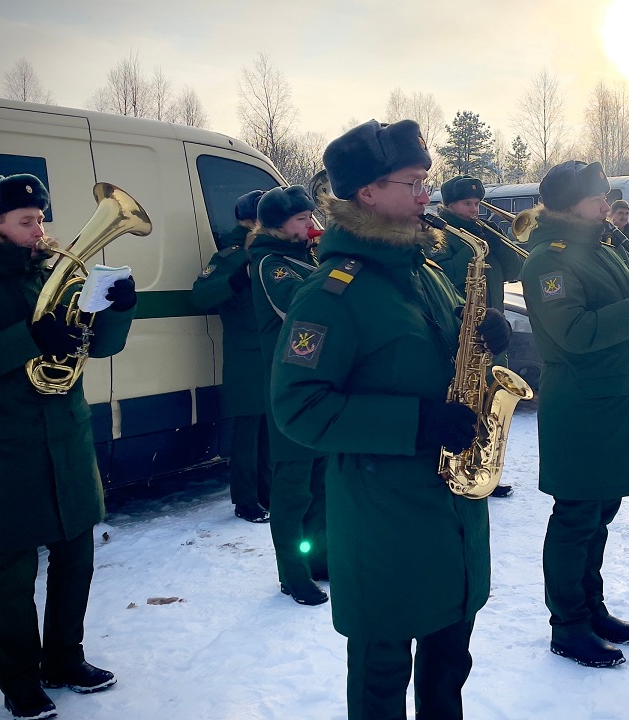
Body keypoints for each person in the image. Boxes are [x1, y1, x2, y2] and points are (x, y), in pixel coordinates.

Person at [270, 119, 512, 720]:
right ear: (368, 193)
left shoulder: (426, 274)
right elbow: (299, 408)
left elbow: (445, 358)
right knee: (382, 676)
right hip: (384, 516)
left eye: (426, 180)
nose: (426, 194)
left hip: (450, 509)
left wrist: (482, 337)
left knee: (449, 664)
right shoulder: (330, 295)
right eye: (413, 182)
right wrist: (416, 422)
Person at [0, 174, 136, 719]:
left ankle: (64, 658)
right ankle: (18, 680)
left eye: (40, 219)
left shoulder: (56, 276)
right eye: (26, 221)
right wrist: (28, 339)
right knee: (15, 569)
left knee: (76, 553)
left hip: (65, 433)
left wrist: (118, 307)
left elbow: (98, 347)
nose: (40, 229)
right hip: (6, 444)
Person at [520, 160, 629, 668]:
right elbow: (577, 332)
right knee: (576, 517)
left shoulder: (599, 247)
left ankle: (591, 608)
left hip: (614, 400)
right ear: (568, 205)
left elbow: (620, 306)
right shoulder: (549, 259)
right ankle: (567, 624)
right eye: (597, 198)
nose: (606, 205)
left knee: (600, 513)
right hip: (583, 406)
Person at [247, 184, 329, 606]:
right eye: (302, 220)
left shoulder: (303, 257)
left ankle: (318, 558)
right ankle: (292, 573)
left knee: (320, 479)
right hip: (288, 387)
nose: (311, 227)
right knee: (293, 485)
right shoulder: (270, 263)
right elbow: (299, 308)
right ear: (279, 225)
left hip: (317, 383)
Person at [431, 174, 524, 498]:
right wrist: (471, 246)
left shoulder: (485, 232)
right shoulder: (439, 234)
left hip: (491, 332)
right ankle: (458, 465)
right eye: (467, 204)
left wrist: (495, 239)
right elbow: (446, 275)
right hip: (462, 332)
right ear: (450, 205)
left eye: (476, 203)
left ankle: (486, 468)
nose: (474, 209)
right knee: (465, 401)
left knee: (489, 405)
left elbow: (515, 270)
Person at [191, 190, 271, 523]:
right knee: (248, 432)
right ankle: (246, 500)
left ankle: (269, 493)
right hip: (246, 357)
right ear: (254, 220)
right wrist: (238, 279)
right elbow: (200, 296)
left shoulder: (271, 252)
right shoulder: (231, 256)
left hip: (271, 353)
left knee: (270, 429)